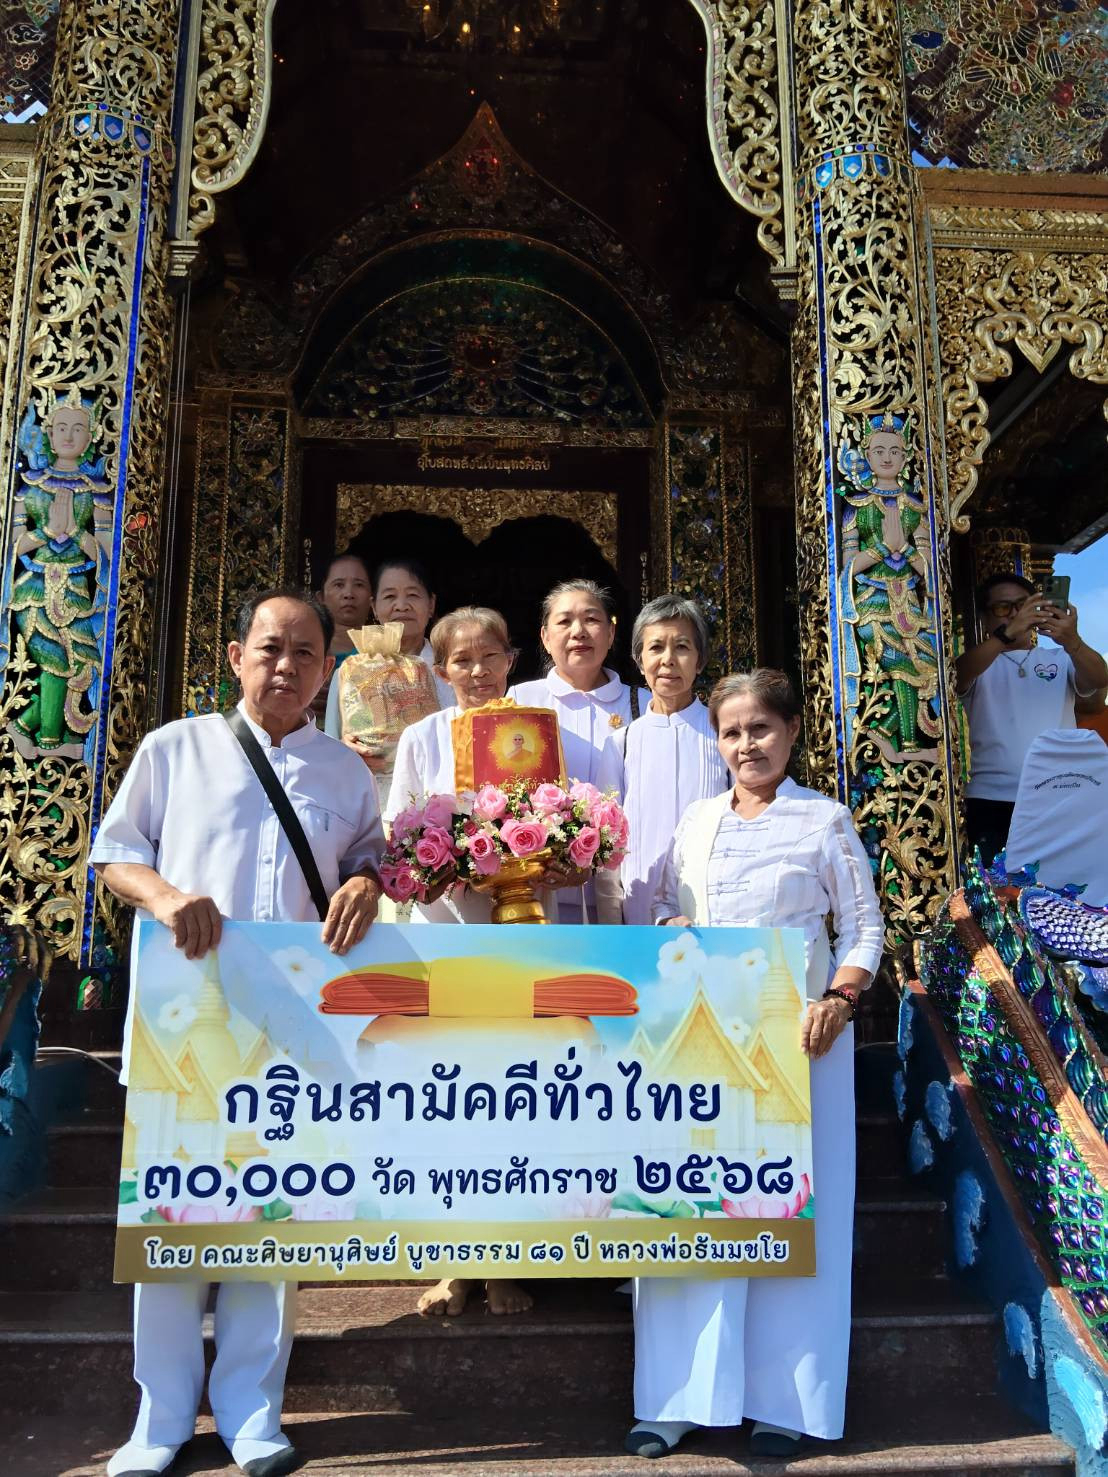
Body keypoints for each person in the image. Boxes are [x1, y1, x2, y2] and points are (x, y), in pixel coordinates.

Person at [89, 589, 385, 1477]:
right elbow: (114, 852)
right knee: (173, 1223)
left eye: (304, 652)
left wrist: (367, 882)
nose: (286, 664)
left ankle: (254, 1411)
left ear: (328, 670)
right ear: (234, 655)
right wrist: (169, 896)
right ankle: (162, 1417)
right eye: (269, 647)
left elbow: (368, 853)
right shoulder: (174, 749)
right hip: (187, 1024)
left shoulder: (345, 770)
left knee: (269, 1225)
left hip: (291, 1034)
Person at [627, 668, 884, 1461]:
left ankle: (787, 1401)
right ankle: (676, 1400)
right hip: (702, 1045)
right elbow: (669, 907)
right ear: (717, 739)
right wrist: (673, 925)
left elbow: (864, 928)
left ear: (793, 732)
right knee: (687, 1209)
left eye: (761, 729)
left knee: (792, 1217)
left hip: (802, 1042)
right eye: (733, 732)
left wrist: (840, 1001)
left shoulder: (825, 818)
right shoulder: (696, 822)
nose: (747, 745)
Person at [385, 605, 564, 1318]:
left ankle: (503, 1266)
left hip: (520, 940)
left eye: (489, 655)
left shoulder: (536, 734)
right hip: (444, 937)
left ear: (511, 659)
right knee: (448, 1108)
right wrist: (447, 861)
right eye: (461, 660)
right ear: (440, 669)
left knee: (514, 1107)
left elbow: (558, 820)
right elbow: (398, 836)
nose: (477, 670)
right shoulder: (422, 736)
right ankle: (452, 1266)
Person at [513, 578, 647, 922]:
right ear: (544, 637)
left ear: (612, 633)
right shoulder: (519, 703)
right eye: (564, 621)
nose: (579, 631)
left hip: (627, 889)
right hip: (541, 889)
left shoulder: (645, 706)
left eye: (591, 619)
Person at [956, 572, 1108, 865]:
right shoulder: (981, 661)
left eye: (1022, 605)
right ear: (986, 618)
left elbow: (1099, 678)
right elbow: (956, 675)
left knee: (1065, 894)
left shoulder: (1060, 658)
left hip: (1060, 797)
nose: (1015, 614)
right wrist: (1006, 634)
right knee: (999, 897)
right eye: (1003, 608)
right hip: (992, 800)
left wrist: (1072, 640)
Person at [597, 595, 730, 924]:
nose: (668, 660)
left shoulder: (724, 735)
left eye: (682, 647)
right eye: (656, 648)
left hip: (711, 912)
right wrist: (614, 928)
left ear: (700, 660)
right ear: (640, 660)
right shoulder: (621, 744)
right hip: (638, 916)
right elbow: (607, 850)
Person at [311, 552, 374, 725]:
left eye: (359, 585)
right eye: (338, 585)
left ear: (372, 599)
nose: (348, 594)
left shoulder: (381, 652)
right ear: (321, 597)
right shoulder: (304, 648)